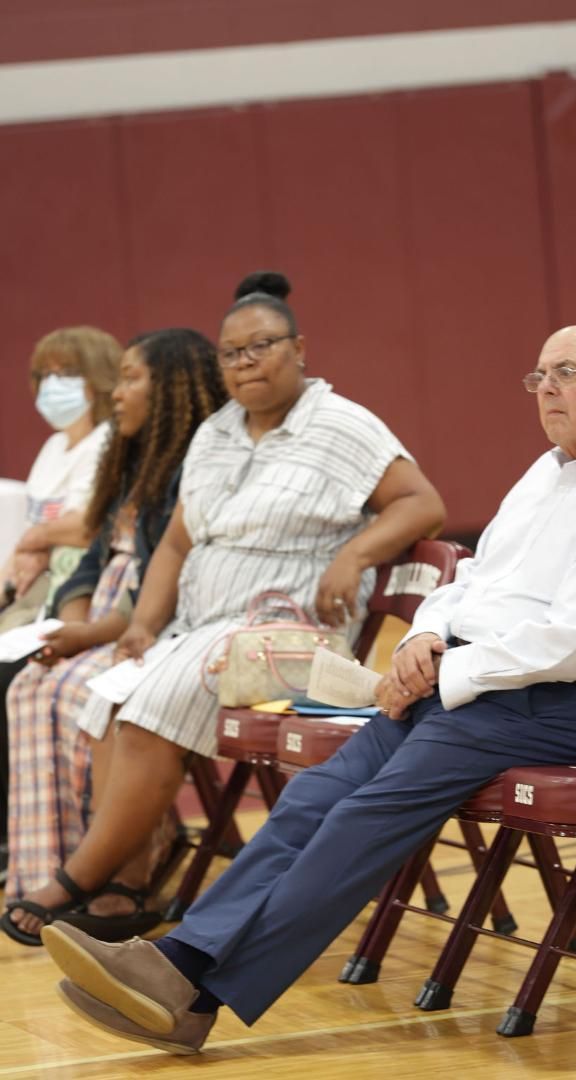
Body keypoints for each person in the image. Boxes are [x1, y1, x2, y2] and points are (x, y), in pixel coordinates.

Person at [39, 322, 576, 1055]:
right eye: (538, 375)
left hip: (549, 707)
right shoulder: (545, 473)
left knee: (361, 813)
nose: (546, 388)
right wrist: (423, 637)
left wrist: (444, 670)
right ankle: (178, 968)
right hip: (473, 686)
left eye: (567, 372)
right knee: (313, 797)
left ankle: (193, 985)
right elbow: (475, 579)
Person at [8, 271, 445, 946]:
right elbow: (177, 544)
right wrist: (146, 625)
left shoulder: (340, 425)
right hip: (207, 630)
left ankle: (74, 879)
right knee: (111, 695)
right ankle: (128, 887)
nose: (245, 363)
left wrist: (354, 555)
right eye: (231, 353)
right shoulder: (214, 434)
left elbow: (422, 503)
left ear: (299, 348)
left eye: (261, 346)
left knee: (160, 700)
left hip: (291, 639)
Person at [1, 328, 228, 945]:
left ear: (173, 388)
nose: (117, 394)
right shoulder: (131, 460)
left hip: (151, 628)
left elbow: (165, 584)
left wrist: (93, 633)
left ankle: (119, 869)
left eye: (131, 379)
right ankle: (43, 864)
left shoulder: (190, 469)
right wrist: (73, 621)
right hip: (107, 620)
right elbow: (95, 561)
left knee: (94, 691)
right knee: (30, 687)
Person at [0, 326, 120, 886]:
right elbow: (36, 533)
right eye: (43, 375)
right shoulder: (54, 448)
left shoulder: (111, 441)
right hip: (43, 592)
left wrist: (35, 542)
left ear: (97, 379)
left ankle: (15, 839)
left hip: (90, 598)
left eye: (64, 375)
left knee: (10, 676)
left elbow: (89, 520)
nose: (52, 387)